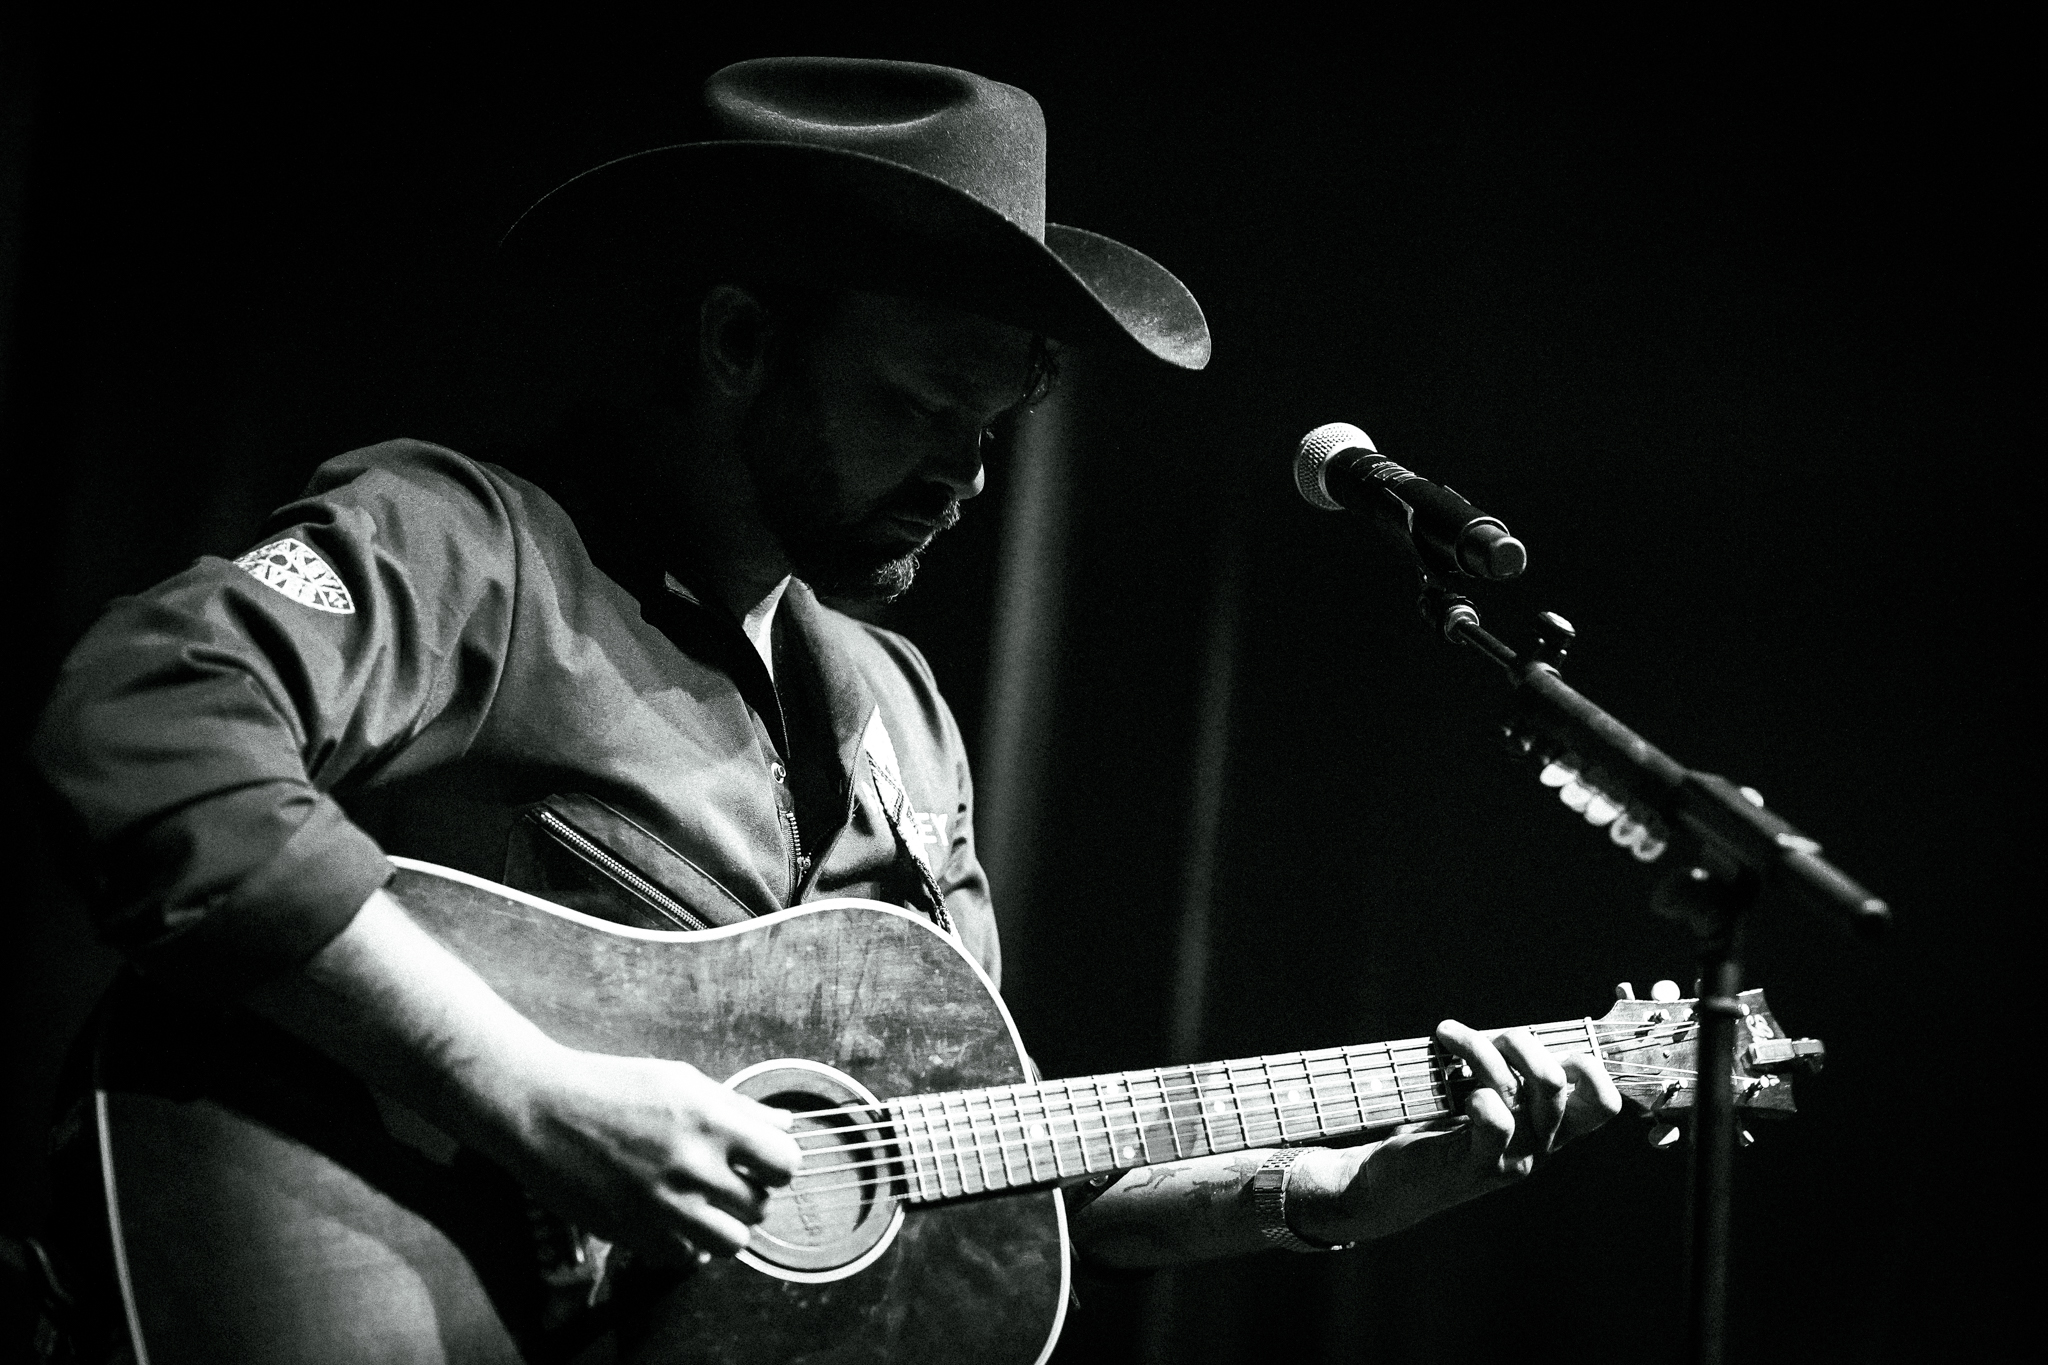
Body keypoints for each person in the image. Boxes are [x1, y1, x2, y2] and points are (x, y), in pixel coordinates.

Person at [30, 55, 1620, 1354]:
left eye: (995, 431)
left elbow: (959, 1160)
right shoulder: (473, 547)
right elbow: (140, 723)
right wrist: (523, 1091)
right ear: (739, 342)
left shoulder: (900, 708)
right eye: (923, 403)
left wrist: (1325, 1189)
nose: (965, 476)